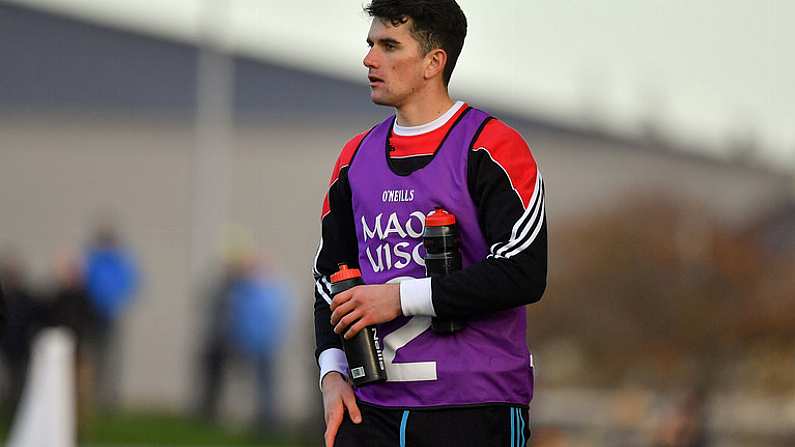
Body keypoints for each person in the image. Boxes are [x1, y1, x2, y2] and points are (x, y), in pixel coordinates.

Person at [312, 1, 547, 446]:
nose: (369, 59)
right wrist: (332, 374)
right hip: (370, 411)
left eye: (388, 45)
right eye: (370, 44)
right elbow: (330, 278)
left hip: (473, 407)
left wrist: (399, 298)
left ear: (433, 62)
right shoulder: (354, 158)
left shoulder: (493, 147)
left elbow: (522, 272)